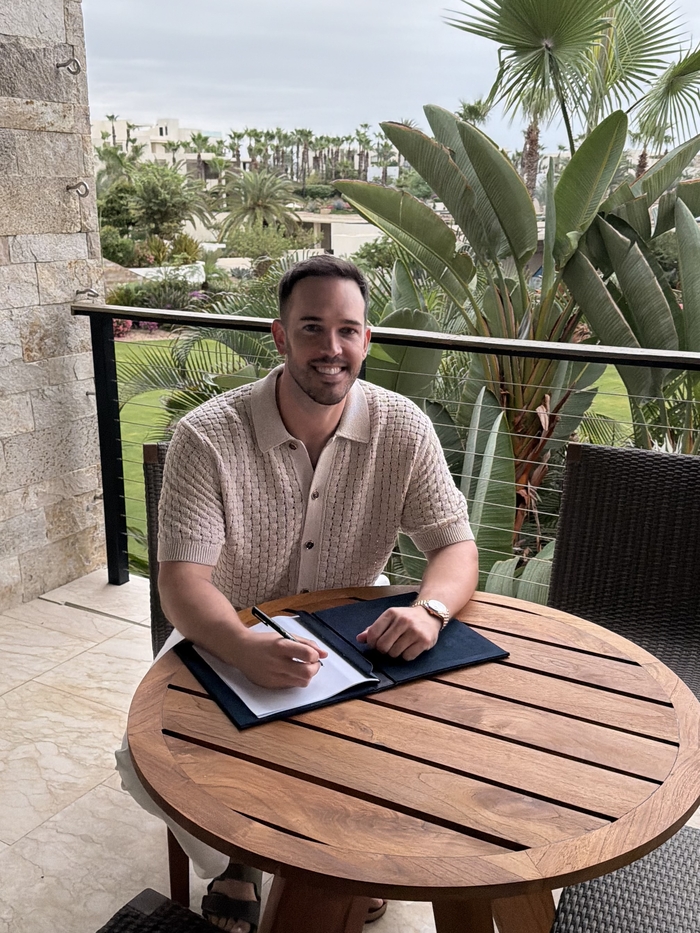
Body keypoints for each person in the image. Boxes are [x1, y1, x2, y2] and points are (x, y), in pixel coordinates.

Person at [117, 254, 479, 933]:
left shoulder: (403, 427)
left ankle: (339, 857)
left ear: (367, 338)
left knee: (403, 746)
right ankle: (238, 859)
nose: (331, 348)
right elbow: (182, 581)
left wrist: (430, 611)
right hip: (226, 626)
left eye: (348, 330)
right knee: (159, 759)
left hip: (351, 627)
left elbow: (455, 544)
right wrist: (241, 645)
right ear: (281, 336)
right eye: (312, 328)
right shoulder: (207, 436)